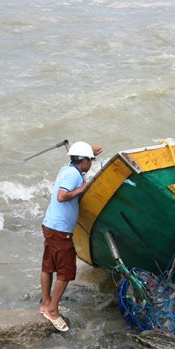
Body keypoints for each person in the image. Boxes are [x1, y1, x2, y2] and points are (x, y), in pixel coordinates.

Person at [40, 141, 102, 332]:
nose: (91, 164)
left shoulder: (67, 170)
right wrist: (82, 189)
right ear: (82, 161)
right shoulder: (74, 175)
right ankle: (52, 310)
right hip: (60, 230)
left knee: (48, 265)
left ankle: (46, 303)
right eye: (89, 161)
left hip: (50, 225)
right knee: (65, 272)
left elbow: (73, 175)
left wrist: (90, 150)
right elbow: (62, 196)